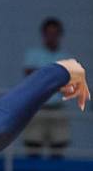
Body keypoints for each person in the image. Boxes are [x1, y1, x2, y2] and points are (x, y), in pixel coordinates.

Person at [23, 17, 73, 158]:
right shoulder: (33, 54)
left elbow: (69, 84)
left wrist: (45, 78)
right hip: (37, 108)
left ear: (60, 35)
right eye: (48, 33)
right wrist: (56, 81)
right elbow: (31, 79)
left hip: (57, 108)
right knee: (33, 151)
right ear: (43, 34)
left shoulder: (66, 57)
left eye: (55, 33)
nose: (51, 37)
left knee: (58, 152)